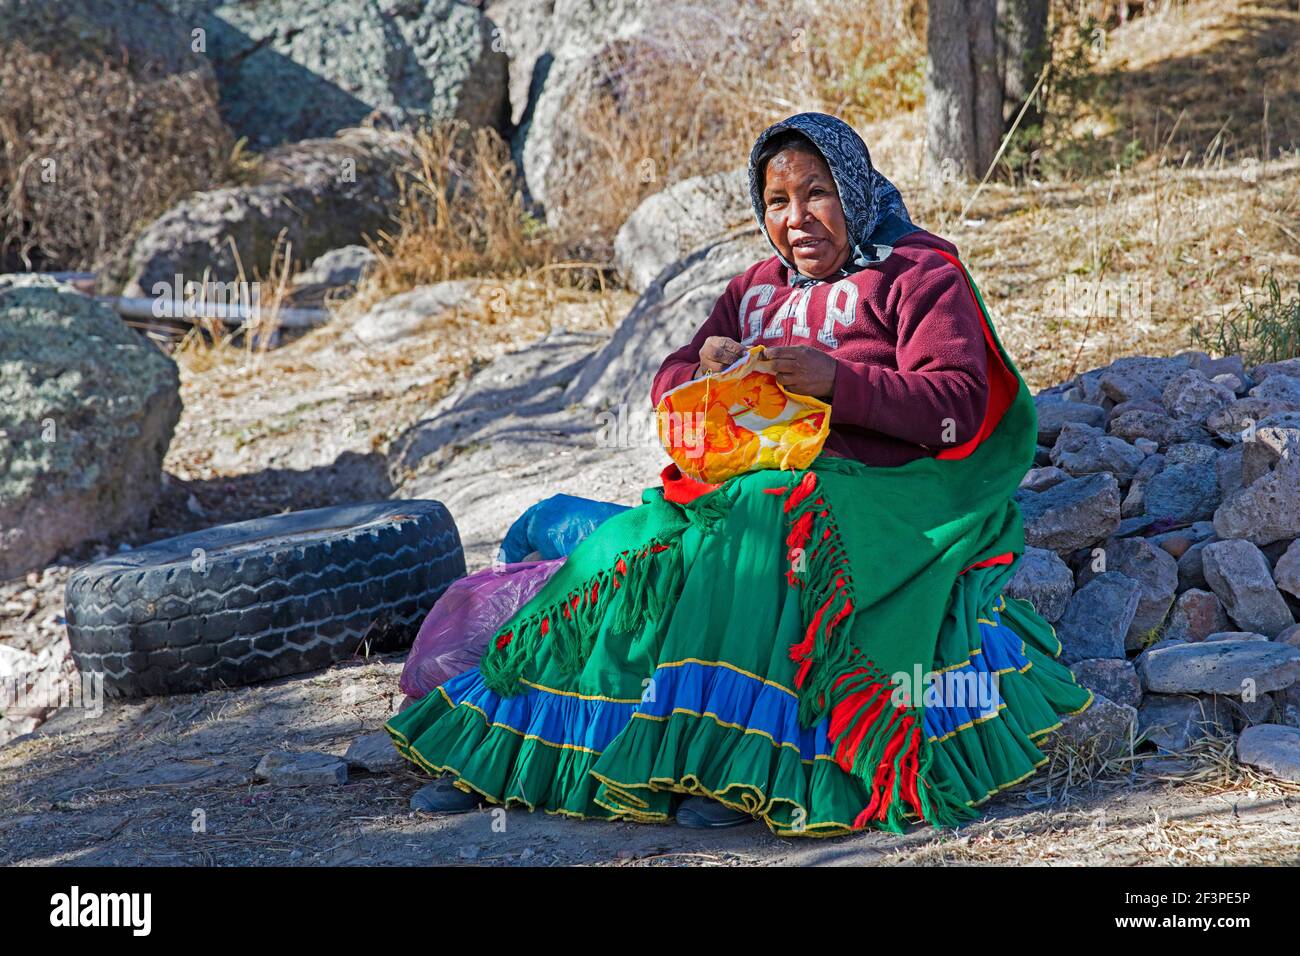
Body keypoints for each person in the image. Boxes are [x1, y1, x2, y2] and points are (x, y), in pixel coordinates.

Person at [384, 112, 1094, 835]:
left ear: (853, 187)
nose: (797, 219)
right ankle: (507, 754)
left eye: (815, 193)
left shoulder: (919, 273)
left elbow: (957, 405)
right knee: (621, 557)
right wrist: (705, 367)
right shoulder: (756, 288)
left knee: (760, 523)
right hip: (751, 481)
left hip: (889, 490)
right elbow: (670, 380)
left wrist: (837, 383)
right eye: (777, 203)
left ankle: (727, 766)